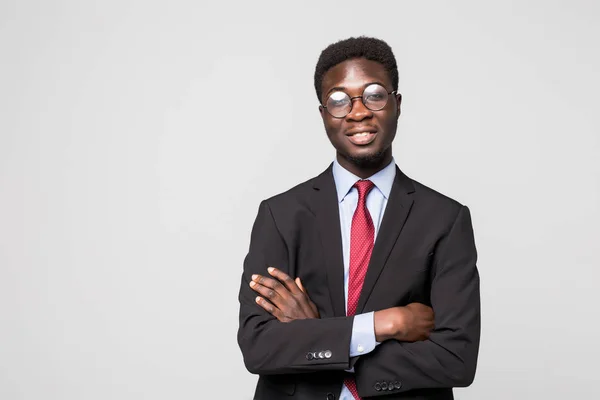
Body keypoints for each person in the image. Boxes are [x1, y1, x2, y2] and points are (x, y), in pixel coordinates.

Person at [237, 36, 480, 400]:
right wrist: (383, 324)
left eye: (374, 95)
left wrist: (322, 338)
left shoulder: (445, 219)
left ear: (396, 104)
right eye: (338, 100)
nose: (358, 112)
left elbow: (455, 358)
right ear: (323, 115)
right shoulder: (280, 215)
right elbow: (259, 347)